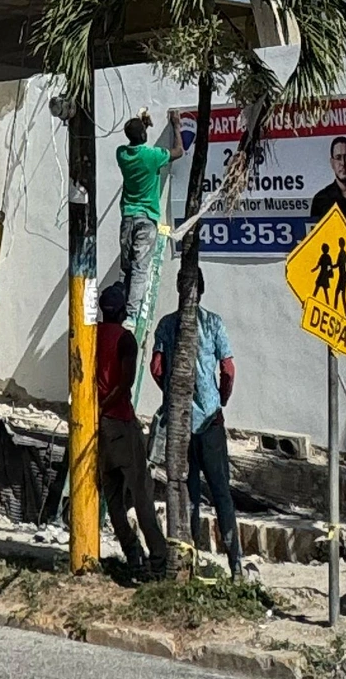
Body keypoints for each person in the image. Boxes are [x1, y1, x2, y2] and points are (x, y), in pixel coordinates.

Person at [150, 270, 243, 579]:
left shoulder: (167, 324)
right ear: (201, 290)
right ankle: (235, 564)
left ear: (180, 289)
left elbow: (157, 368)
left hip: (181, 424)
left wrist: (172, 394)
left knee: (187, 495)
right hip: (211, 422)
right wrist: (219, 399)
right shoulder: (213, 323)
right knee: (222, 495)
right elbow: (228, 369)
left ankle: (189, 564)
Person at [95, 283, 167, 581]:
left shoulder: (92, 335)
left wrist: (96, 410)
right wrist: (107, 405)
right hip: (121, 422)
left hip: (98, 426)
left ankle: (133, 554)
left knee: (113, 497)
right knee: (141, 495)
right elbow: (125, 383)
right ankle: (159, 560)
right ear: (123, 311)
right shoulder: (125, 340)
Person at [113, 113, 170, 321]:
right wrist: (176, 125)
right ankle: (131, 315)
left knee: (126, 267)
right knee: (140, 267)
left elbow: (135, 144)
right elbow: (178, 152)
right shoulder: (153, 156)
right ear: (144, 135)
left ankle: (119, 309)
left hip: (128, 216)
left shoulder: (121, 154)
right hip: (147, 218)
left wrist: (141, 126)